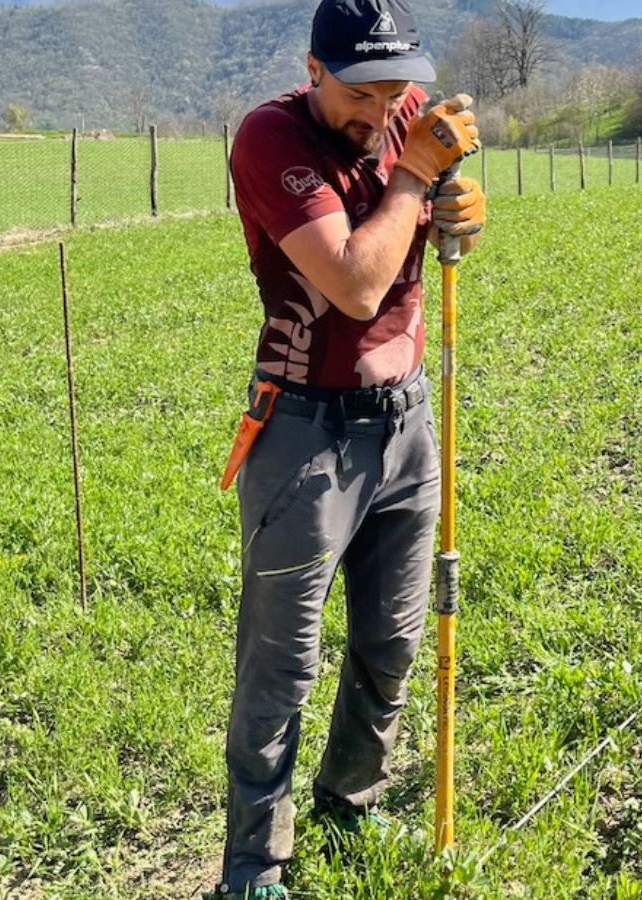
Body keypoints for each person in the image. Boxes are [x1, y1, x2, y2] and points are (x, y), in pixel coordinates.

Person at [208, 0, 484, 894]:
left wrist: (460, 212)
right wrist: (415, 178)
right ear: (314, 71)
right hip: (304, 433)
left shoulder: (406, 121)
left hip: (406, 423)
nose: (381, 111)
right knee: (282, 663)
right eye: (360, 93)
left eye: (396, 91)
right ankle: (254, 865)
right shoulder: (270, 139)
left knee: (392, 639)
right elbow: (358, 286)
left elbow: (436, 229)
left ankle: (348, 797)